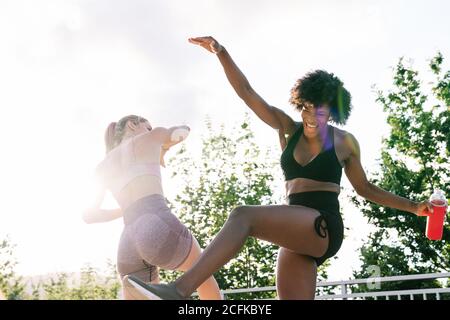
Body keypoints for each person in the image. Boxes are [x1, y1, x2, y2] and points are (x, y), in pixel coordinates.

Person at [126, 37, 433, 300]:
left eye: (321, 112)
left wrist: (415, 207)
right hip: (294, 229)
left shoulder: (345, 142)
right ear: (300, 104)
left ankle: (178, 291)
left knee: (244, 216)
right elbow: (247, 93)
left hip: (322, 225)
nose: (312, 118)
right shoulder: (287, 128)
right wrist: (222, 52)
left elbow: (366, 189)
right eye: (306, 108)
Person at [83, 114, 222, 300]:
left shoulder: (103, 167)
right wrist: (163, 145)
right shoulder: (151, 137)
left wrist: (123, 210)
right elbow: (181, 132)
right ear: (133, 125)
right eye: (147, 126)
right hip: (156, 222)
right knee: (202, 273)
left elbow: (89, 215)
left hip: (127, 242)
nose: (151, 130)